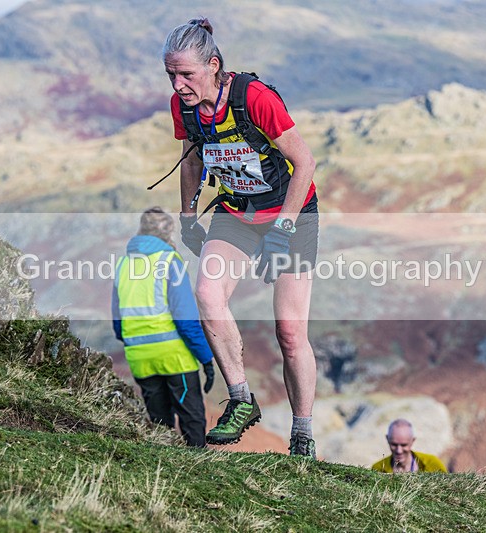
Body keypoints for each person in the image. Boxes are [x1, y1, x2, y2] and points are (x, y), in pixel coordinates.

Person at [161, 18, 319, 457]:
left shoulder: (255, 99)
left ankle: (302, 434)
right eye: (171, 75)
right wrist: (188, 215)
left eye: (187, 74)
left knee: (289, 332)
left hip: (292, 213)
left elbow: (305, 163)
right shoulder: (185, 108)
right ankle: (241, 399)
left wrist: (283, 229)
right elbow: (192, 158)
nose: (178, 85)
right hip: (237, 212)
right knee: (207, 295)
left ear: (213, 65)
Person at [111, 207, 215, 447]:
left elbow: (118, 325)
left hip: (140, 357)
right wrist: (206, 359)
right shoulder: (170, 261)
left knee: (160, 428)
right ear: (169, 232)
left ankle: (163, 477)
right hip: (174, 356)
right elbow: (186, 321)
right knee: (193, 421)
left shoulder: (123, 266)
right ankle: (199, 474)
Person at [371, 419, 448, 473]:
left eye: (404, 445)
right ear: (387, 439)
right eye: (394, 444)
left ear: (412, 441)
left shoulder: (433, 464)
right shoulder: (378, 469)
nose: (399, 450)